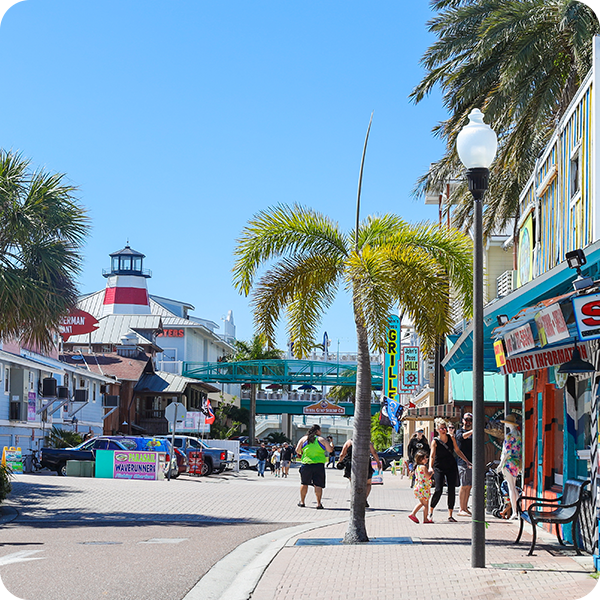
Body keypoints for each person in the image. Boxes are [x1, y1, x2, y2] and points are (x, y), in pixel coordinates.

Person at [428, 418, 471, 522]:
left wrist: (467, 461)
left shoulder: (451, 438)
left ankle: (450, 515)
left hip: (451, 466)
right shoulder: (435, 441)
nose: (444, 430)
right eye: (441, 428)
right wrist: (430, 467)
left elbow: (457, 450)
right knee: (438, 490)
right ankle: (430, 512)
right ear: (437, 429)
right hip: (439, 467)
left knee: (451, 489)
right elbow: (432, 456)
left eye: (445, 428)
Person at [295, 424, 333, 509]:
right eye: (320, 430)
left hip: (306, 464)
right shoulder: (321, 439)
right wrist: (331, 444)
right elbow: (330, 450)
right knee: (318, 485)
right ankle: (319, 504)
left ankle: (302, 502)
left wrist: (303, 453)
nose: (321, 432)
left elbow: (297, 450)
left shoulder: (304, 439)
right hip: (318, 465)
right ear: (317, 431)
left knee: (304, 483)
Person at [337, 438, 382, 508]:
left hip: (351, 464)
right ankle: (364, 499)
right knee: (368, 483)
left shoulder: (349, 442)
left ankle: (355, 500)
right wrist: (378, 462)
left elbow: (342, 454)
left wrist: (340, 461)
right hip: (365, 464)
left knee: (353, 484)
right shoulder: (367, 442)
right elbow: (374, 453)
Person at [497, 414, 522, 520]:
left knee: (511, 487)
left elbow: (506, 452)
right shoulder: (519, 435)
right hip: (516, 463)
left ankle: (515, 512)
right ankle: (519, 510)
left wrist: (500, 465)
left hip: (508, 463)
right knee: (514, 487)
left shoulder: (509, 436)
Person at [455, 412, 473, 516]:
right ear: (462, 420)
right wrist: (472, 431)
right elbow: (461, 437)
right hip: (463, 463)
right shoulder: (459, 431)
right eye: (466, 420)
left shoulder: (472, 433)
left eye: (470, 420)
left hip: (472, 462)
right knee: (464, 485)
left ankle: (465, 507)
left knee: (469, 486)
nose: (468, 422)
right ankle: (461, 508)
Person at [408, 450, 433, 523]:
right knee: (425, 504)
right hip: (424, 487)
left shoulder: (417, 467)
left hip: (418, 487)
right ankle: (424, 518)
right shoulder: (423, 467)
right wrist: (431, 472)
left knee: (422, 503)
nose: (426, 459)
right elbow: (427, 476)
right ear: (420, 459)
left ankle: (413, 514)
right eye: (425, 458)